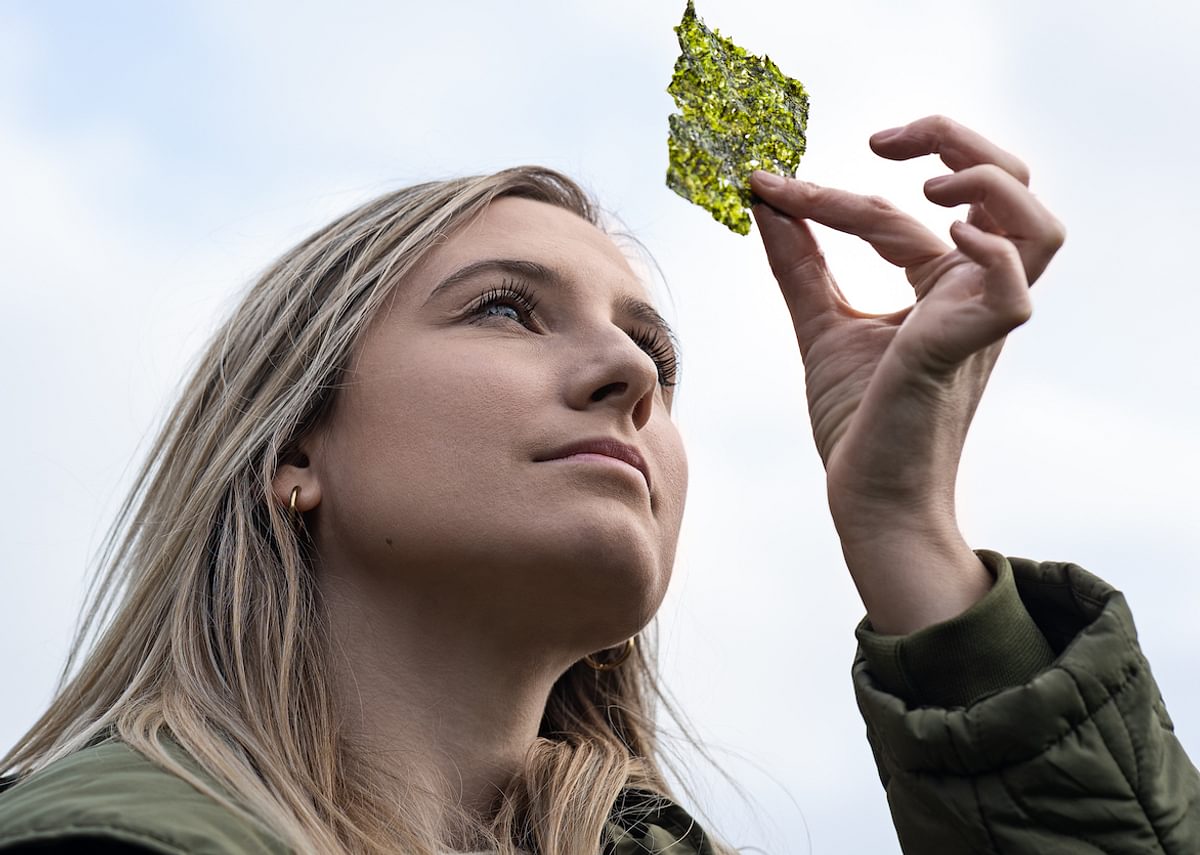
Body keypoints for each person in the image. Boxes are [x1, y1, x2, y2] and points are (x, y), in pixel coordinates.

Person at [0, 115, 1195, 854]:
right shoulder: (107, 841)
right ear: (294, 450)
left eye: (660, 358)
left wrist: (905, 528)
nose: (629, 370)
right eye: (506, 309)